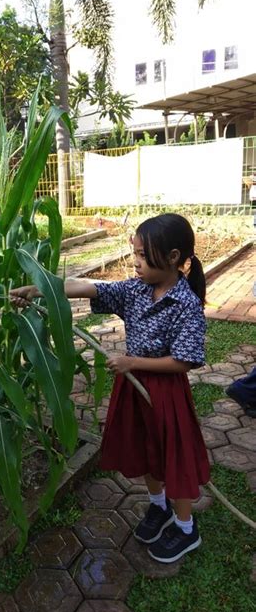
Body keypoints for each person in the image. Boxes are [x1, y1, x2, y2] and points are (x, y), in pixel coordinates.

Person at [11, 213, 210, 564]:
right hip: (135, 389)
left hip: (165, 393)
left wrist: (132, 362)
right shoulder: (137, 289)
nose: (135, 262)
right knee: (148, 449)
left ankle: (185, 526)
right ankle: (158, 506)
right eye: (134, 252)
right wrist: (39, 288)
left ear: (174, 257)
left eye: (143, 256)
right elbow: (90, 288)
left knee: (175, 458)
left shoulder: (186, 304)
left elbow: (186, 360)